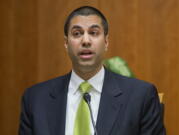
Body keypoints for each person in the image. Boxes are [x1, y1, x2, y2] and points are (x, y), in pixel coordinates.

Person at [19, 6, 166, 135]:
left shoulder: (140, 96)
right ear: (66, 44)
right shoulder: (35, 99)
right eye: (77, 33)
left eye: (94, 33)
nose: (86, 40)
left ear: (106, 42)